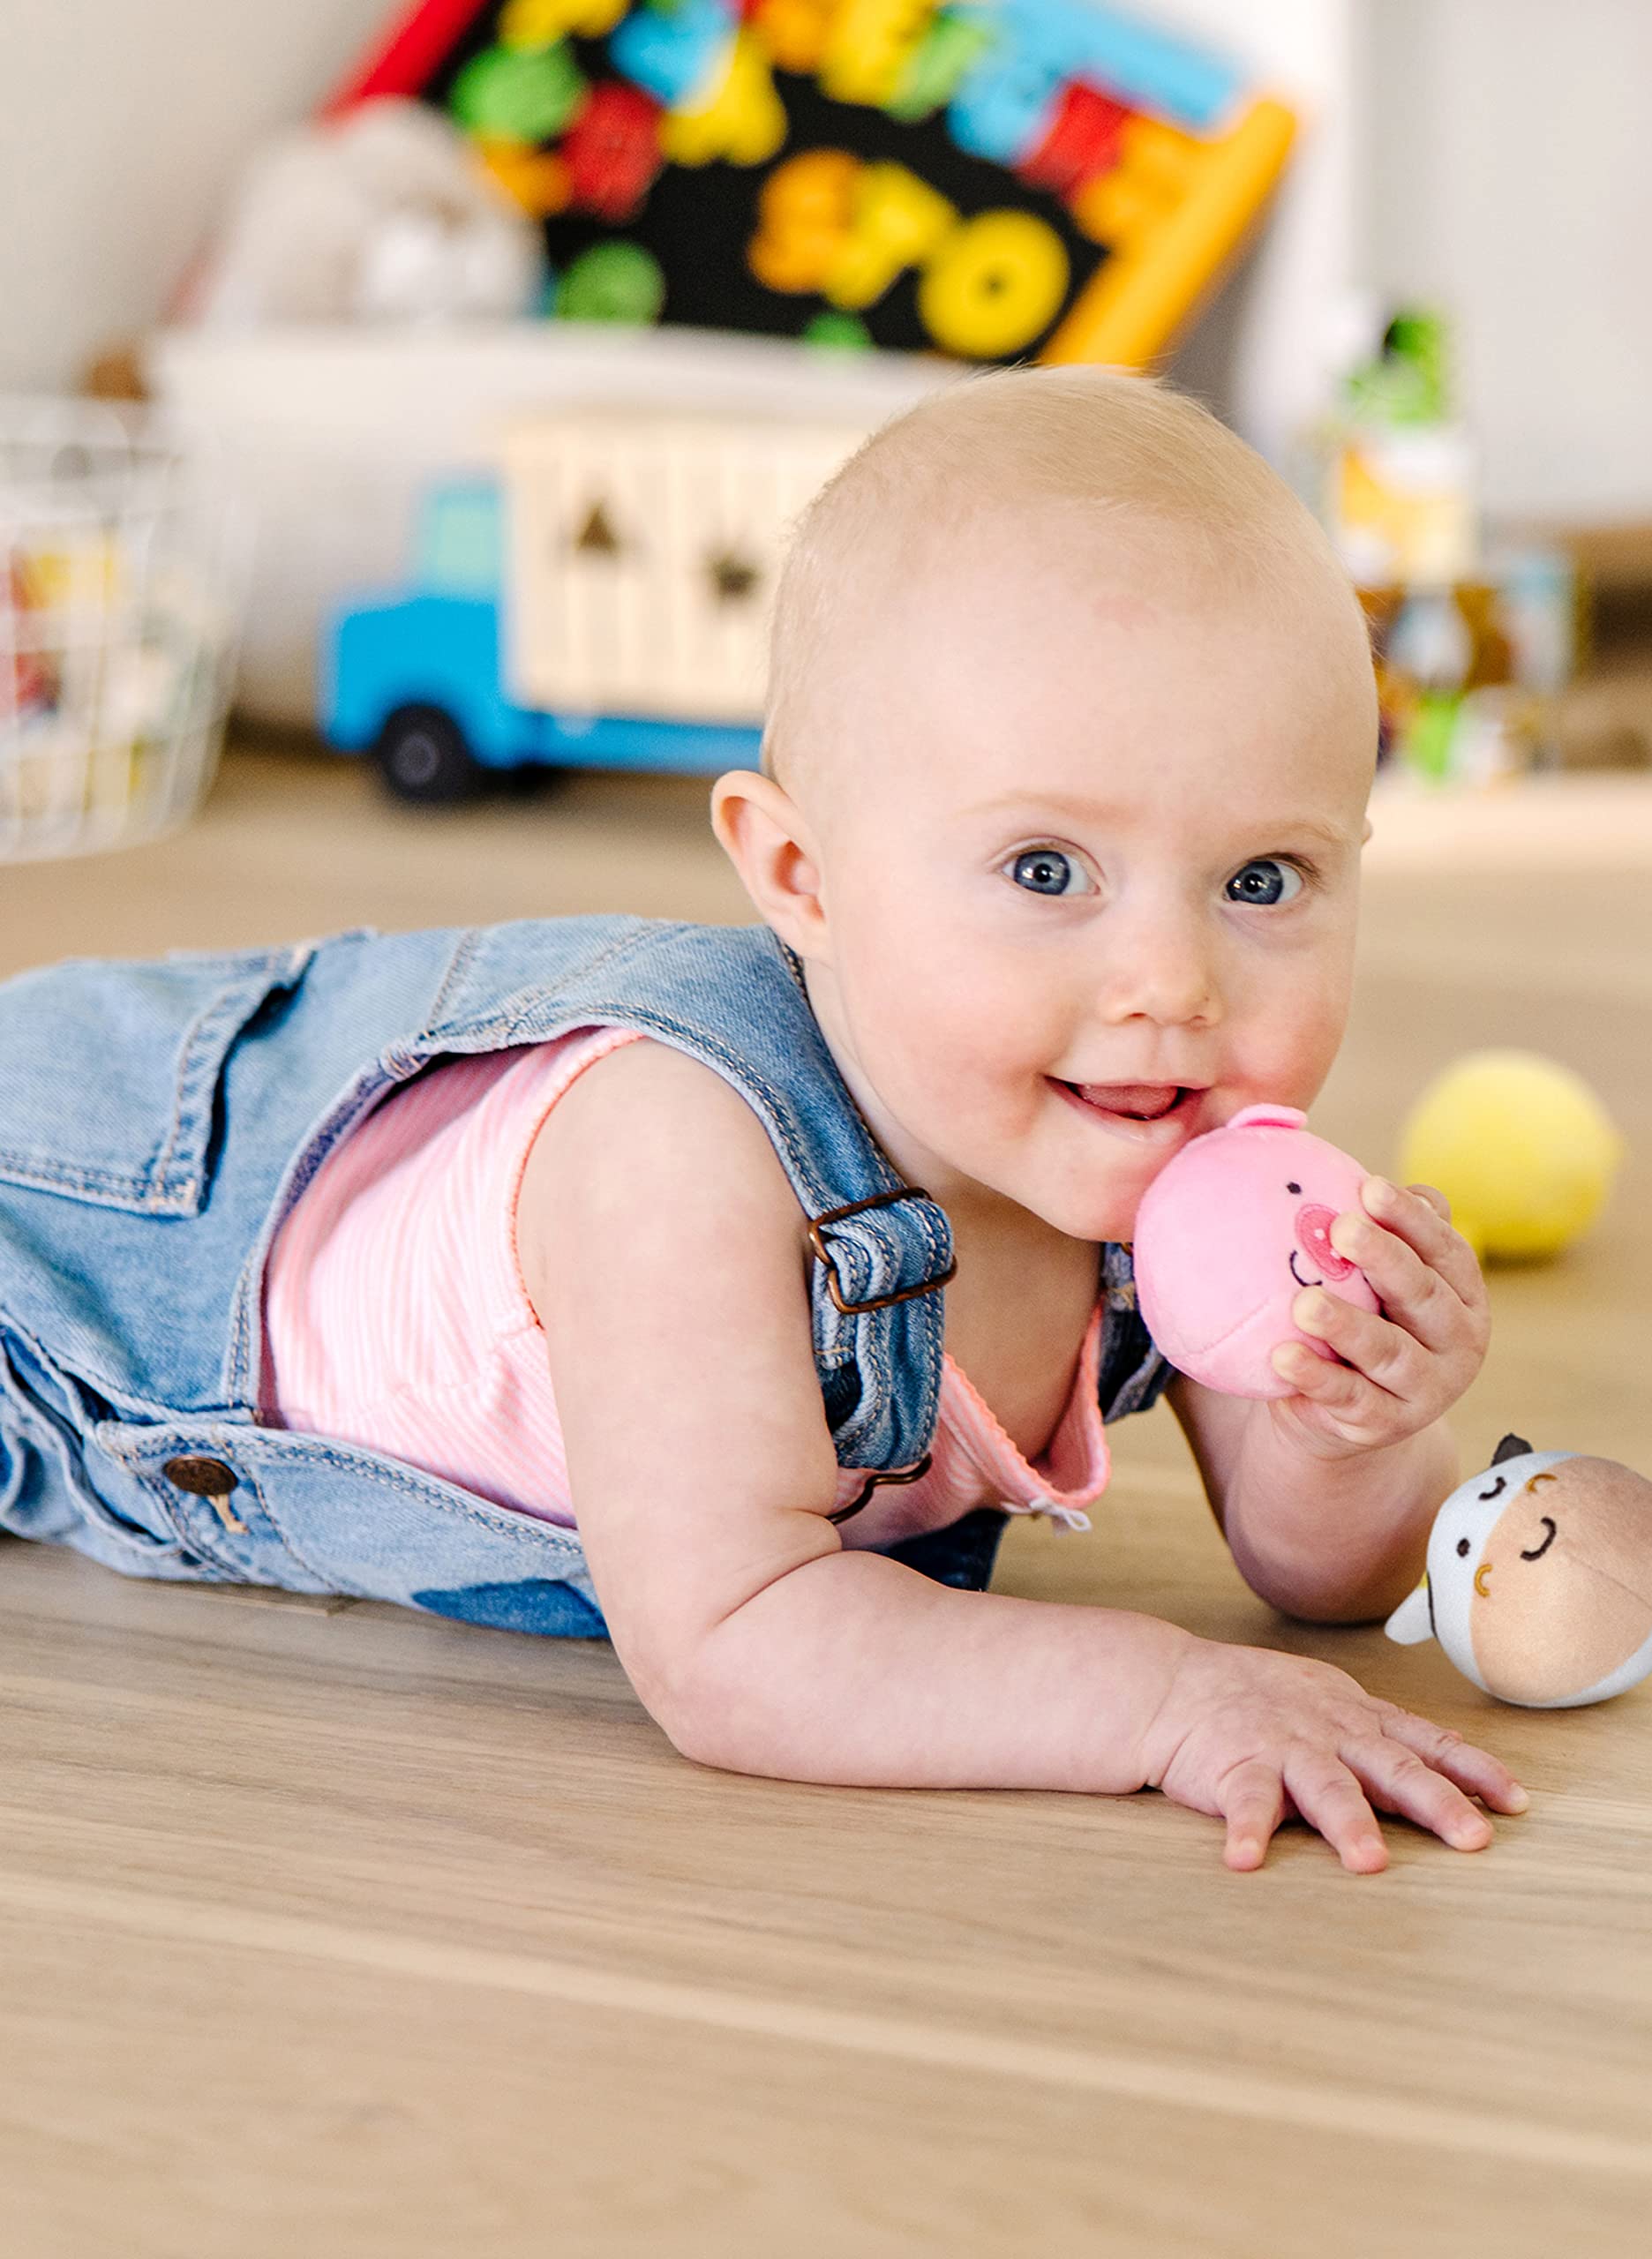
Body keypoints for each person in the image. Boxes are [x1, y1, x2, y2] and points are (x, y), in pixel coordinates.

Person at [0, 369, 1526, 1872]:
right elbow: (736, 1642)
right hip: (68, 1286)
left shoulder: (1188, 1163)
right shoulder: (686, 1157)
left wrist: (1357, 1426)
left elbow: (1321, 1575)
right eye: (1048, 873)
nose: (1172, 985)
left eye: (1264, 881)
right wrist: (1170, 1700)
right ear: (800, 877)